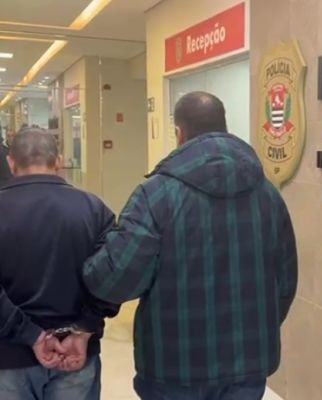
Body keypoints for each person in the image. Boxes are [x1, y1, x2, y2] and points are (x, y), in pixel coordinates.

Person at [83, 92, 298, 400]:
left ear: (179, 133)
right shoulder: (268, 195)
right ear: (225, 126)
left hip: (175, 366)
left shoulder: (156, 195)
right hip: (247, 364)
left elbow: (115, 281)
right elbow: (285, 282)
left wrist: (89, 264)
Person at [0, 128, 119, 400]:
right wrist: (84, 327)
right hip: (75, 354)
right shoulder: (94, 209)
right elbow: (113, 275)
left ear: (11, 162)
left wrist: (31, 335)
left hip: (8, 358)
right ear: (59, 161)